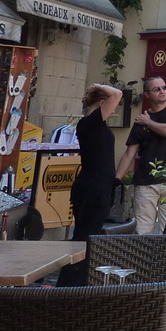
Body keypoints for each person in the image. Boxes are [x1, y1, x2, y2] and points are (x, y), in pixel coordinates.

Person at [56, 83, 122, 286]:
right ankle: (69, 283)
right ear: (102, 103)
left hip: (99, 186)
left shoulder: (96, 125)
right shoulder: (90, 123)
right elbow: (117, 94)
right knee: (84, 236)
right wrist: (99, 86)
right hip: (92, 187)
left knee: (88, 236)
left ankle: (75, 281)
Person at [115, 76, 166, 234]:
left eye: (164, 87)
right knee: (142, 230)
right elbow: (129, 154)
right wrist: (116, 180)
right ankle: (144, 259)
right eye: (157, 89)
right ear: (147, 94)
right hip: (145, 182)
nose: (162, 91)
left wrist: (148, 122)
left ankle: (165, 259)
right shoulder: (140, 121)